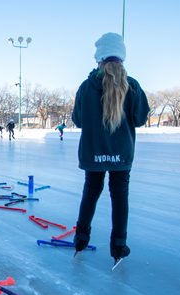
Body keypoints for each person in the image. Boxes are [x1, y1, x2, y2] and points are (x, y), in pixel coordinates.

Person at [71, 32, 150, 263]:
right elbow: (140, 118)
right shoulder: (132, 85)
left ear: (99, 58)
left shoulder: (87, 86)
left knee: (91, 193)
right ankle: (118, 246)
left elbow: (78, 120)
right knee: (120, 197)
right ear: (121, 58)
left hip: (94, 151)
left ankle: (81, 239)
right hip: (122, 153)